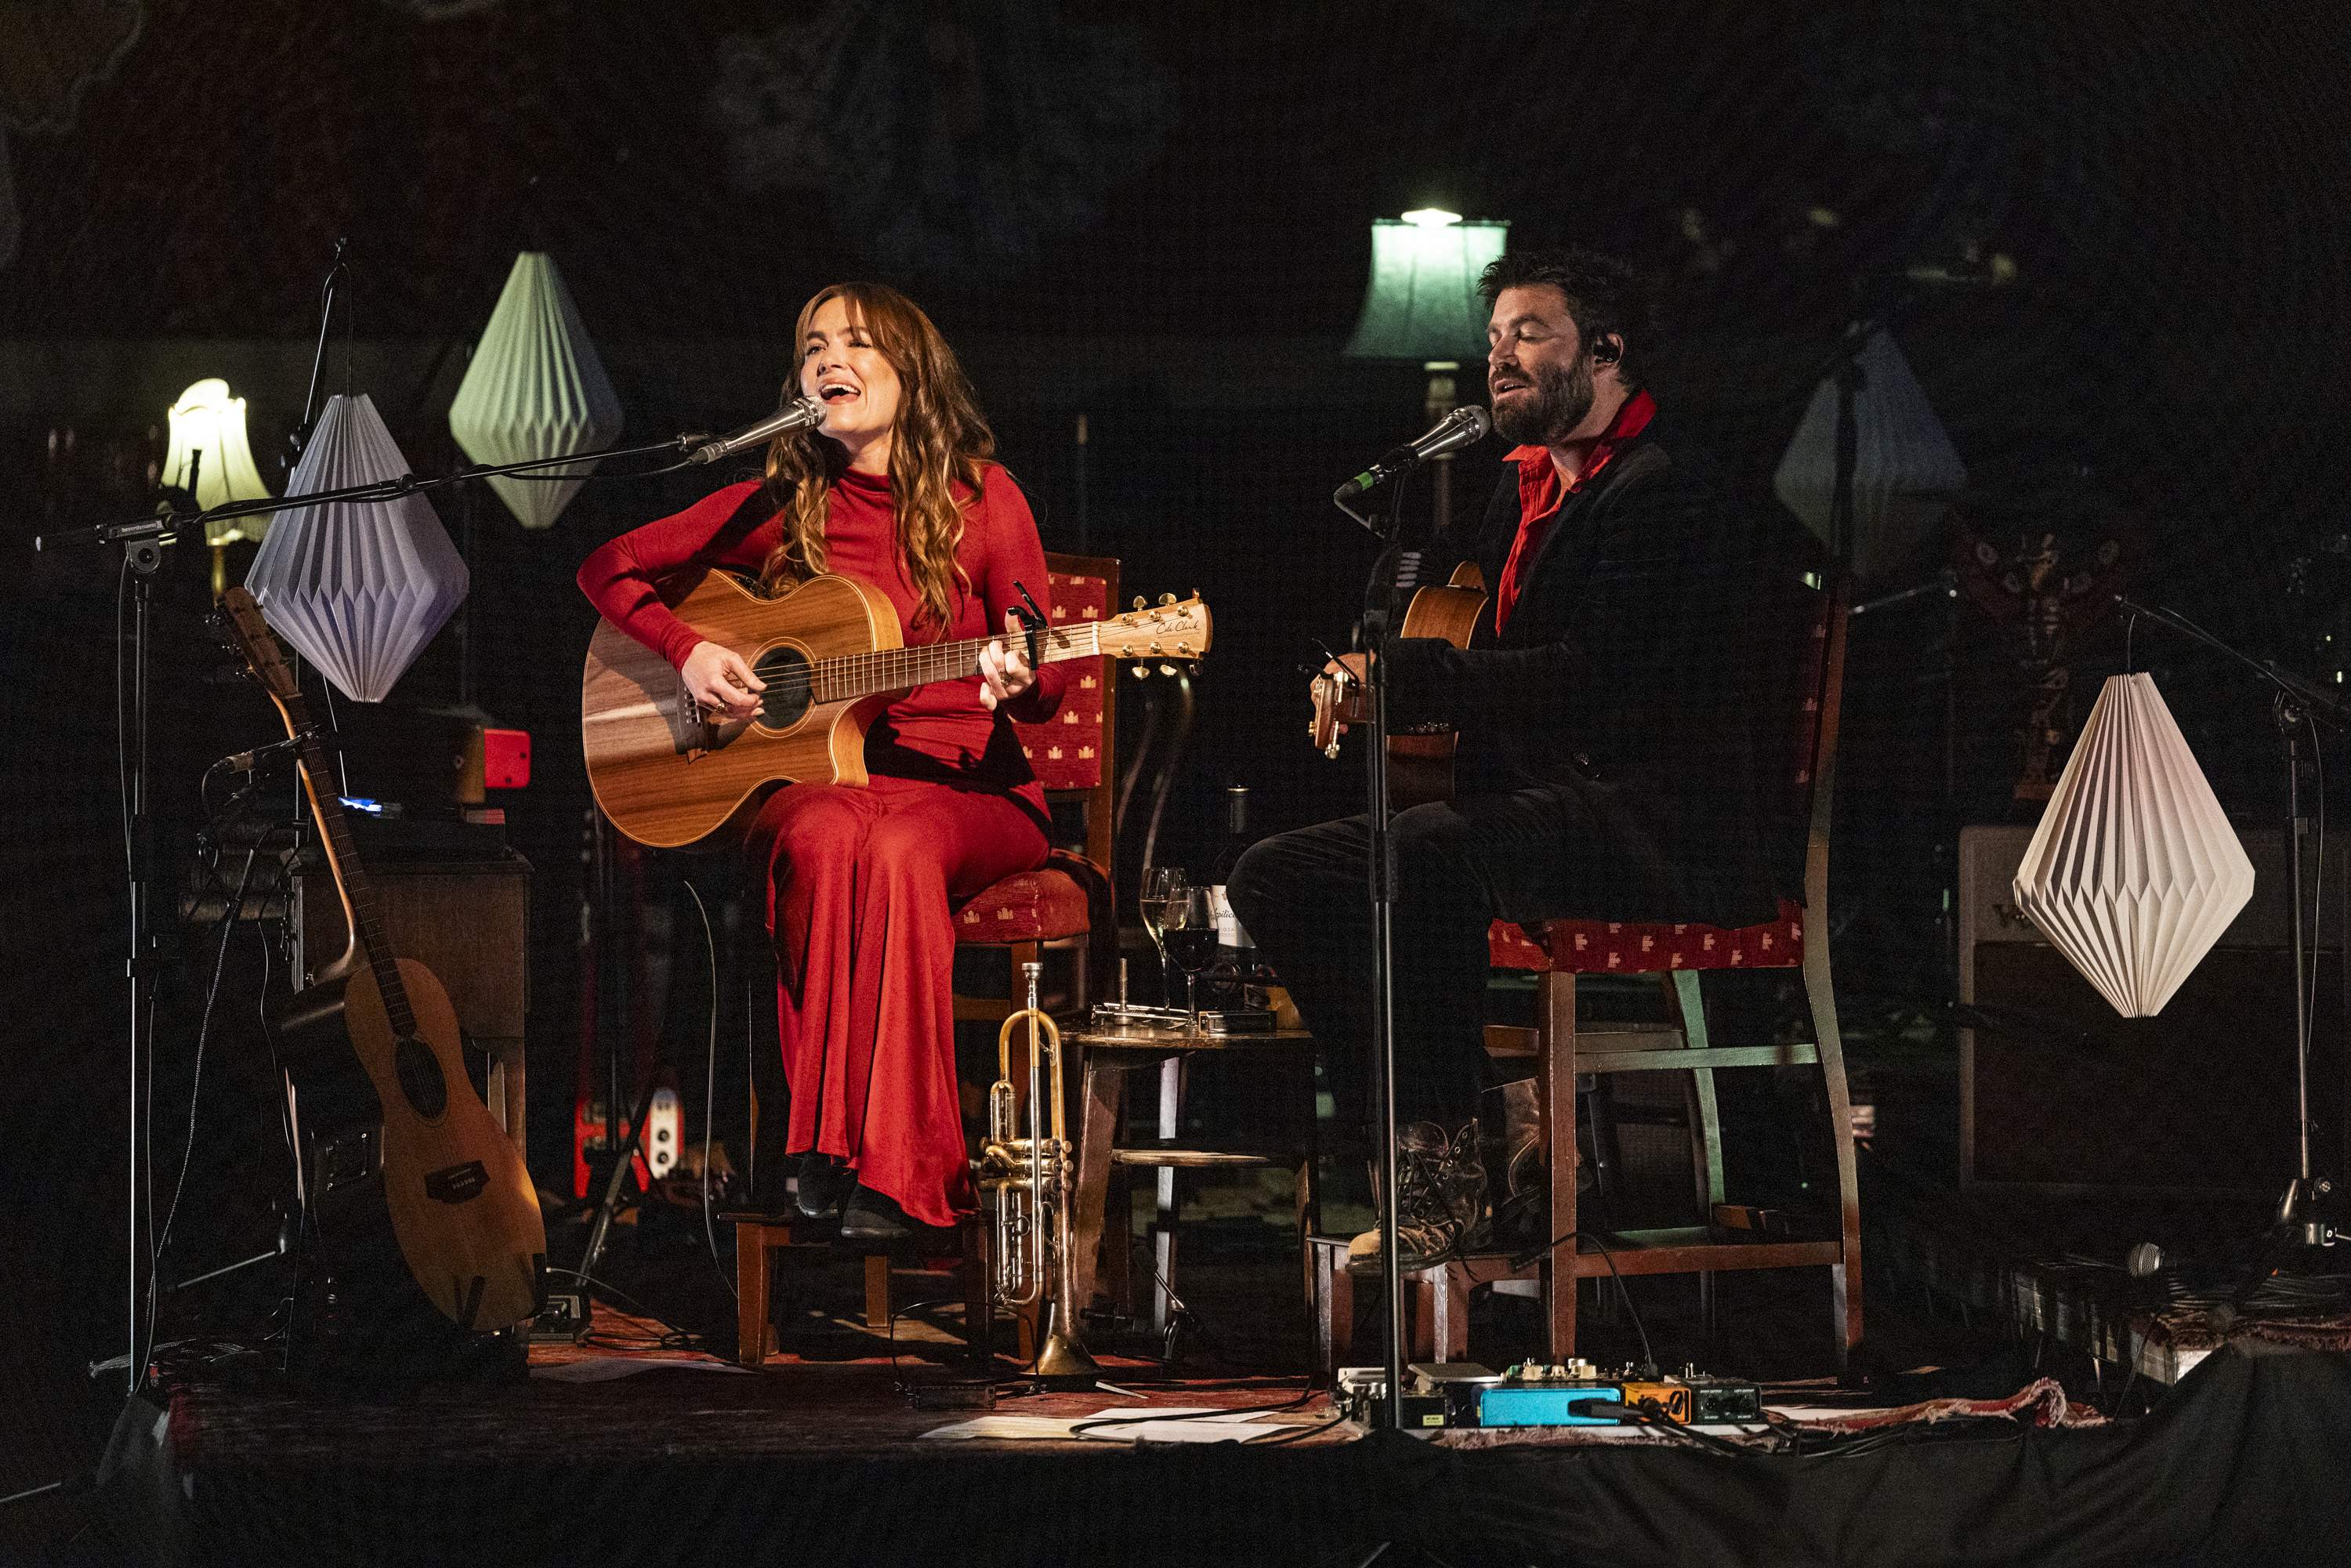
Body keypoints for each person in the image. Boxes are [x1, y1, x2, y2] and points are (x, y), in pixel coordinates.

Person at [1227, 245, 1821, 1269]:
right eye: (1495, 336)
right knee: (1276, 874)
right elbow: (1449, 633)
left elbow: (1593, 677)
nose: (1499, 356)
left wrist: (1405, 681)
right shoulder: (1516, 494)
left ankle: (1451, 1175)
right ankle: (1470, 1145)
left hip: (1665, 829)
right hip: (1550, 817)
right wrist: (1356, 672)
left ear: (1608, 349)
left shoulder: (1668, 491)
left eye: (1530, 333)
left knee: (1423, 858)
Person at [578, 282, 1064, 1242]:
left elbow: (1043, 674)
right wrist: (691, 651)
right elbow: (607, 567)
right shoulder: (783, 502)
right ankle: (820, 1150)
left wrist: (1022, 672)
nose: (827, 362)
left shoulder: (985, 495)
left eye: (855, 344)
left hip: (967, 788)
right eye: (812, 349)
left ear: (911, 373)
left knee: (897, 849)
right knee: (822, 833)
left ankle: (902, 1175)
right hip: (837, 781)